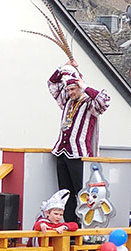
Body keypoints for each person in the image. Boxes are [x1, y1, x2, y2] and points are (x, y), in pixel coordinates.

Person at [48, 60, 111, 225]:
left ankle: (84, 228)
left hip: (79, 154)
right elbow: (52, 84)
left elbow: (104, 101)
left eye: (73, 89)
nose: (70, 92)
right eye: (68, 89)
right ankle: (69, 225)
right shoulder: (67, 102)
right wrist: (63, 67)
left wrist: (84, 86)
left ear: (80, 87)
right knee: (65, 193)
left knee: (82, 193)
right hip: (62, 152)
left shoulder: (89, 103)